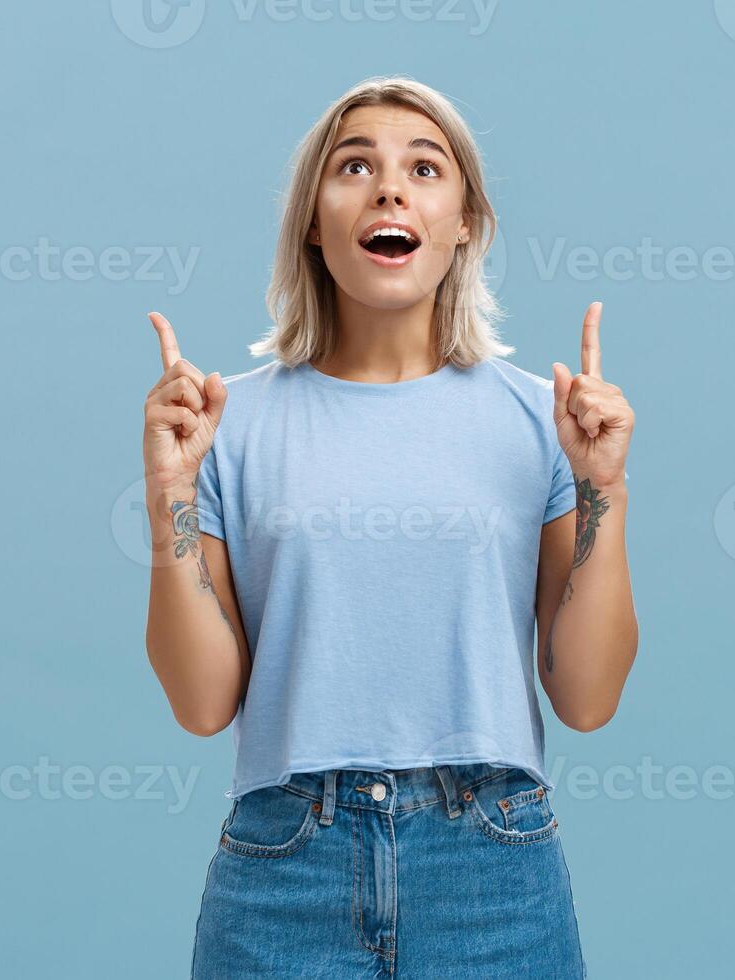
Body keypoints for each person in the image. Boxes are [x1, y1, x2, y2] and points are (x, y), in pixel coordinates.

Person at [139, 76, 640, 977]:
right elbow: (203, 704)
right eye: (355, 165)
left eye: (424, 167)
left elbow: (589, 698)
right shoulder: (228, 424)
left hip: (492, 867)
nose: (389, 188)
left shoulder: (544, 420)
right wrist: (170, 494)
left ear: (465, 225)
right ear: (311, 222)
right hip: (286, 867)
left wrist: (603, 489)